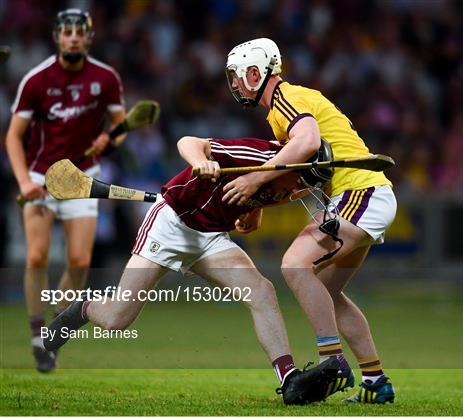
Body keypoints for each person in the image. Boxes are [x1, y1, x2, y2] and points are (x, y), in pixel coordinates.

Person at [44, 135, 340, 405]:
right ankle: (81, 309)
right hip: (170, 225)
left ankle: (288, 380)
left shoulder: (291, 186)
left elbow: (261, 194)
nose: (299, 191)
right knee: (116, 319)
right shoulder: (256, 155)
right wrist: (202, 162)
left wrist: (253, 212)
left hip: (210, 239)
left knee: (261, 291)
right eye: (300, 181)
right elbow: (188, 141)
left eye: (309, 187)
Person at [222, 38, 397, 404]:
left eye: (237, 76)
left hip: (360, 193)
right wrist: (257, 206)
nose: (234, 84)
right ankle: (376, 382)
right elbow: (300, 178)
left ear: (255, 73)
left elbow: (306, 142)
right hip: (362, 195)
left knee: (295, 266)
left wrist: (255, 179)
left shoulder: (287, 100)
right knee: (329, 293)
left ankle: (332, 361)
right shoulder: (281, 111)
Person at [5, 9, 126, 373]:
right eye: (67, 32)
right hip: (41, 177)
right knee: (37, 257)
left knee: (79, 261)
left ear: (89, 38)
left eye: (79, 32)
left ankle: (54, 333)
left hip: (83, 176)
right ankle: (35, 332)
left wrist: (111, 138)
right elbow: (13, 135)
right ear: (57, 37)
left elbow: (121, 127)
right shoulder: (36, 79)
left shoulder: (105, 78)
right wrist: (25, 181)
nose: (73, 37)